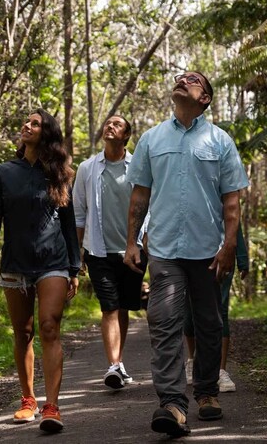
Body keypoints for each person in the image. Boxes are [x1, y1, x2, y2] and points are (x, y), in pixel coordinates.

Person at [124, 71, 249, 437]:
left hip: (207, 251)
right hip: (163, 248)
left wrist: (229, 247)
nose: (181, 81)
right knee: (163, 323)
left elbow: (232, 201)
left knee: (209, 325)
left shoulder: (220, 141)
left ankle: (207, 391)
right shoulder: (151, 138)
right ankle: (173, 404)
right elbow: (139, 196)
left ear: (205, 98)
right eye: (179, 78)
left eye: (191, 80)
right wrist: (132, 242)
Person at [0, 109, 81, 434]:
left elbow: (68, 220)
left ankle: (52, 407)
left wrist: (74, 267)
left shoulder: (60, 174)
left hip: (54, 262)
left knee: (50, 327)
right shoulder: (3, 173)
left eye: (35, 123)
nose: (27, 125)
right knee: (23, 333)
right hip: (15, 263)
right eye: (26, 121)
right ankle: (28, 400)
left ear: (46, 132)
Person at [73, 114, 148, 390]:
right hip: (99, 251)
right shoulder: (87, 168)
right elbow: (79, 212)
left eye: (117, 124)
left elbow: (147, 208)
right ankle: (113, 365)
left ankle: (119, 362)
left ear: (126, 135)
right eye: (108, 123)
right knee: (109, 307)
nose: (110, 126)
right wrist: (77, 251)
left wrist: (144, 241)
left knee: (125, 306)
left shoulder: (138, 167)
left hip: (133, 250)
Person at [184, 225, 249, 392]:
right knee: (190, 311)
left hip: (223, 255)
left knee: (221, 310)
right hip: (190, 254)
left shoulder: (223, 197)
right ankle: (192, 360)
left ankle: (220, 370)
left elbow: (234, 220)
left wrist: (241, 257)